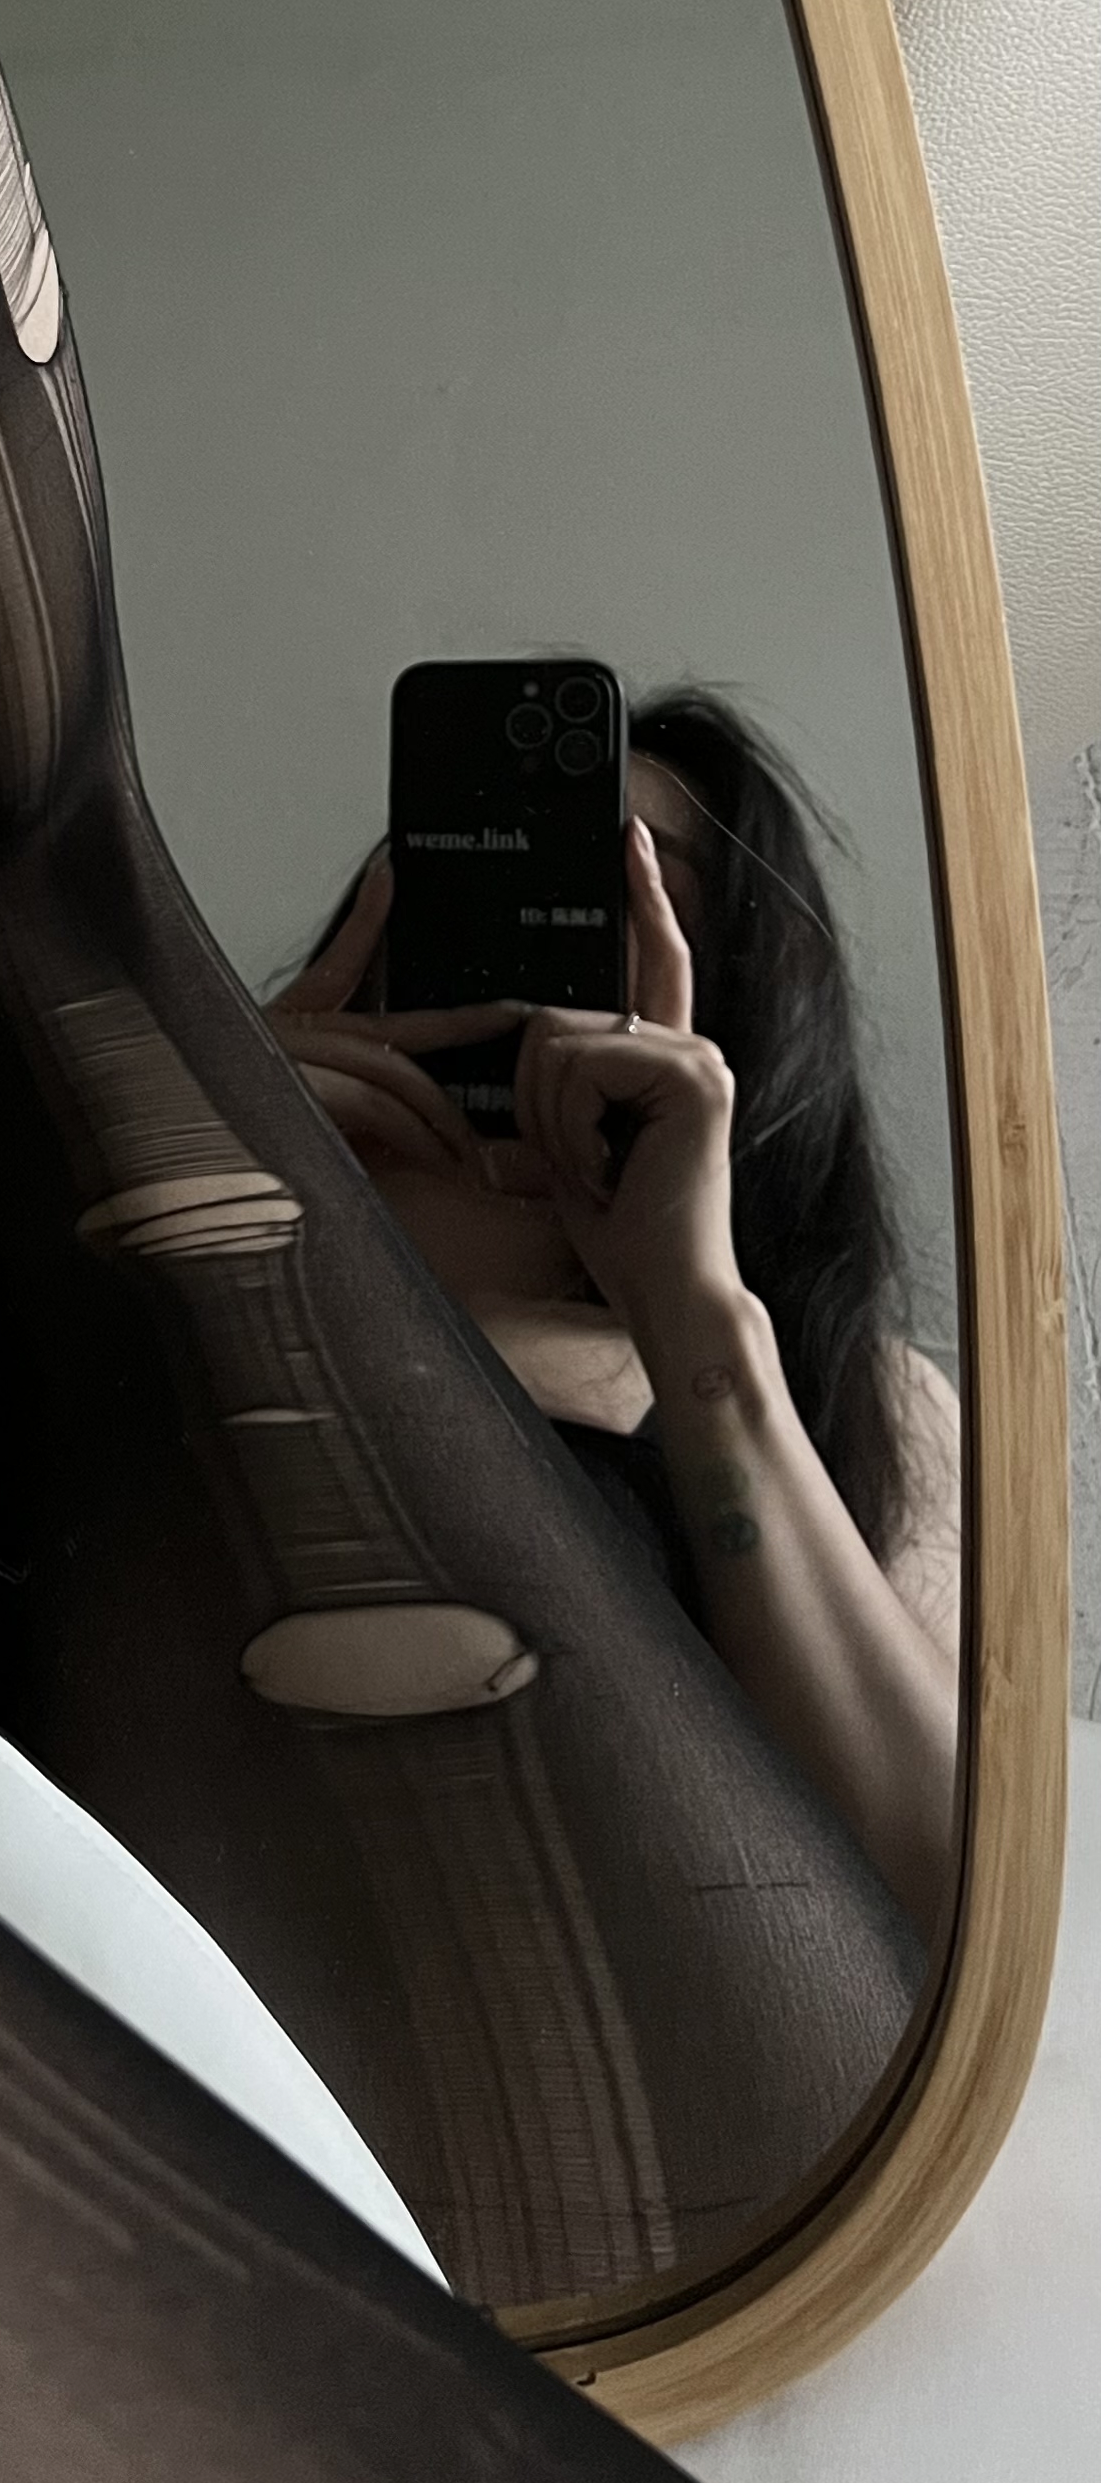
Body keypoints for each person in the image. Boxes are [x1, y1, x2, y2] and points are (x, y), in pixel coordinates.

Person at [268, 693, 962, 1937]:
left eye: (614, 907)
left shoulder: (858, 1398)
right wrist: (201, 1173)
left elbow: (957, 1906)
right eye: (489, 882)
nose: (540, 959)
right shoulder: (225, 1274)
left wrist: (693, 1319)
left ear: (736, 1001)